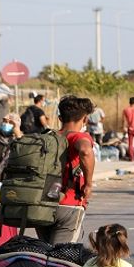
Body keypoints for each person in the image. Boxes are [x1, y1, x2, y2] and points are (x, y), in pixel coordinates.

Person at [36, 96, 95, 244]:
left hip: (43, 204)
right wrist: (88, 184)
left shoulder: (48, 137)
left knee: (46, 255)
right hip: (69, 204)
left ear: (60, 117)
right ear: (85, 120)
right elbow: (85, 151)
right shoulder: (78, 136)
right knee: (62, 257)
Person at [0, 113, 23, 180]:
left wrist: (18, 135)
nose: (6, 124)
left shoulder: (21, 140)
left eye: (10, 122)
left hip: (11, 177)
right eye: (5, 121)